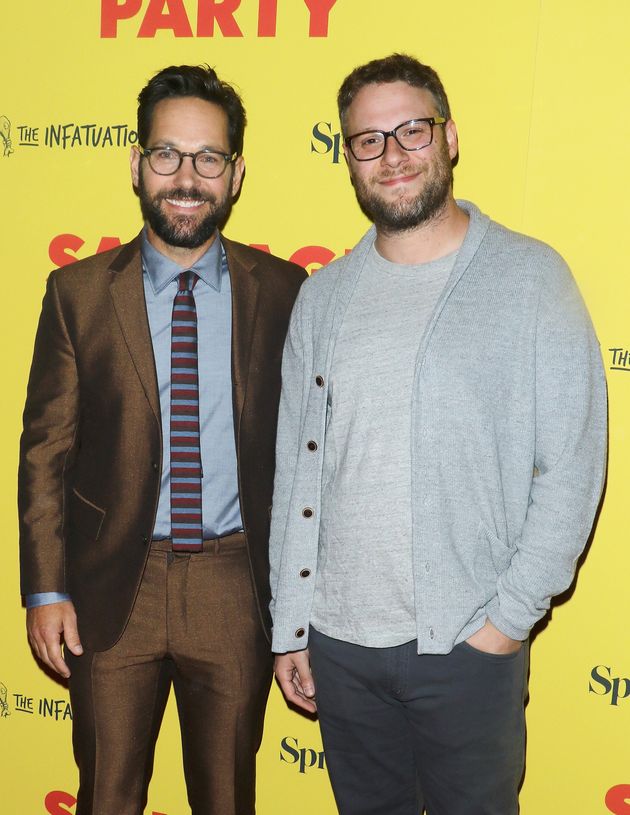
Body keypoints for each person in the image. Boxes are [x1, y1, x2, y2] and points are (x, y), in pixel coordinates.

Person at [269, 53, 607, 815]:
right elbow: (298, 472)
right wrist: (291, 626)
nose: (392, 155)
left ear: (449, 137)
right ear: (348, 157)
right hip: (341, 647)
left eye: (412, 130)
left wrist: (504, 622)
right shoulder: (321, 299)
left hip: (466, 645)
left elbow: (573, 465)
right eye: (368, 139)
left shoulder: (529, 279)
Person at [19, 63, 306, 815]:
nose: (187, 176)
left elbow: (314, 455)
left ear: (236, 173)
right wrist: (47, 589)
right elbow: (45, 451)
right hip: (114, 586)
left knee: (227, 800)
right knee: (107, 797)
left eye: (208, 158)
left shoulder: (284, 292)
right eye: (167, 154)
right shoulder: (77, 293)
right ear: (137, 164)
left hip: (235, 584)